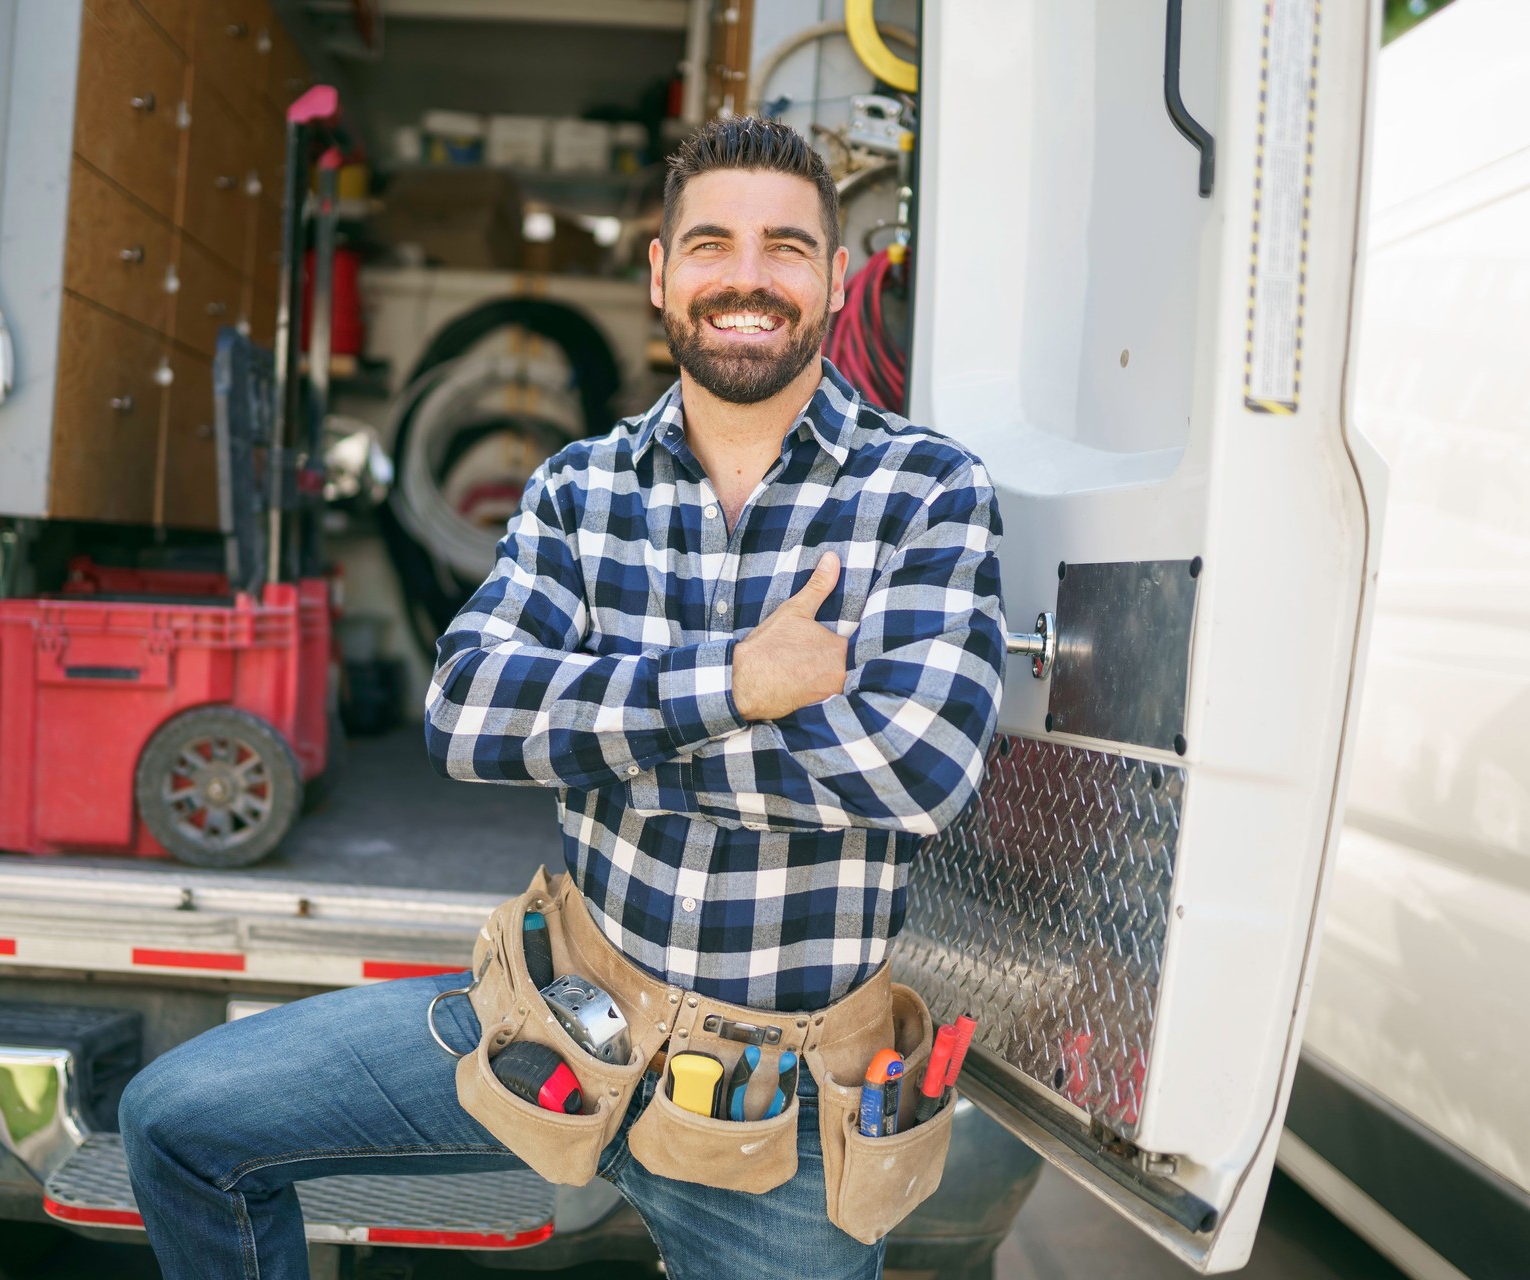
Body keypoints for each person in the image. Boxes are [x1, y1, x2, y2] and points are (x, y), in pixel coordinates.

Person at [120, 115, 1005, 1280]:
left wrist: (598, 731)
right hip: (556, 1025)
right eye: (711, 245)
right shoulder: (579, 489)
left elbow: (920, 770)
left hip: (784, 1109)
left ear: (837, 277)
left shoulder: (927, 490)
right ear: (659, 273)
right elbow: (470, 713)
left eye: (787, 248)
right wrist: (739, 685)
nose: (747, 277)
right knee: (178, 1121)